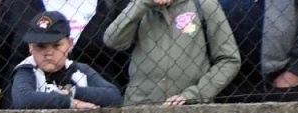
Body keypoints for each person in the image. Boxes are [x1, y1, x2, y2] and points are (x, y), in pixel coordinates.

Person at [102, 0, 238, 104]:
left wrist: (193, 95)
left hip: (191, 109)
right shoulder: (141, 7)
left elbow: (229, 59)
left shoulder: (204, 5)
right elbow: (112, 40)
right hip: (139, 106)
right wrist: (142, 3)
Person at [8, 10, 122, 106]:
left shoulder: (79, 70)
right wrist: (69, 103)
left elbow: (114, 96)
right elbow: (23, 100)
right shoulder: (27, 70)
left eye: (56, 45)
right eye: (40, 46)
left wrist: (72, 91)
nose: (48, 53)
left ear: (69, 44)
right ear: (30, 47)